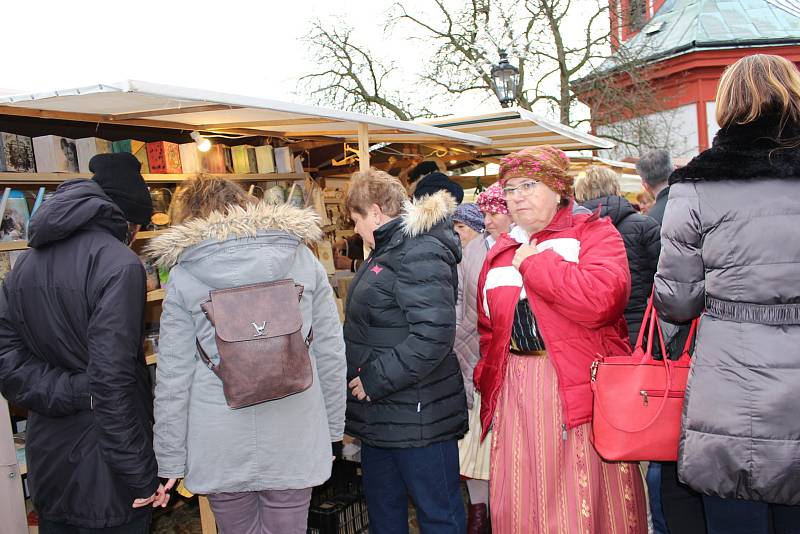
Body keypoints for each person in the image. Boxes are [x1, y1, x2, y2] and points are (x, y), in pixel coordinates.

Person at [146, 176, 346, 534]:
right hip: (296, 426)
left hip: (219, 435)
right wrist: (332, 431)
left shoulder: (184, 273)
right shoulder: (301, 257)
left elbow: (173, 377)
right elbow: (331, 352)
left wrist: (171, 458)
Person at [654, 53, 800, 534]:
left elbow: (675, 301)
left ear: (729, 105)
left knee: (734, 509)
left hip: (732, 382)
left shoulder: (696, 183)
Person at [475, 146, 648, 533]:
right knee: (520, 504)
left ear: (557, 187)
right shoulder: (500, 252)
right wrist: (488, 376)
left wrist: (536, 264)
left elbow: (602, 300)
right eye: (511, 187)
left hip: (575, 389)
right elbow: (488, 329)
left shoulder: (593, 233)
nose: (517, 195)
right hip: (515, 393)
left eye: (529, 184)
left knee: (576, 506)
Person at [0, 153, 167, 533]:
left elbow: (8, 363)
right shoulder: (120, 265)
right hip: (107, 471)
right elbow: (111, 385)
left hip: (49, 463)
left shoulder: (25, 264)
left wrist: (73, 390)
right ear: (129, 221)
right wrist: (142, 476)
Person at [343, 169, 468, 534]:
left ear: (377, 212)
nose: (355, 230)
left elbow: (433, 335)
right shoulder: (388, 249)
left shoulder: (419, 248)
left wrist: (375, 380)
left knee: (438, 516)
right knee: (385, 516)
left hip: (419, 416)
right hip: (384, 415)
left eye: (356, 219)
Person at [636, 148, 703, 534]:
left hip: (674, 344)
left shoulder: (664, 214)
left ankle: (663, 525)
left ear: (645, 183)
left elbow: (674, 298)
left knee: (667, 449)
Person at [454, 182, 512, 534]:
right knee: (479, 458)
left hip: (494, 367)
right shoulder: (478, 251)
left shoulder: (493, 251)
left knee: (490, 458)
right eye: (485, 214)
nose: (487, 220)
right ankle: (483, 522)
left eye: (493, 213)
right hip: (479, 367)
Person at [576, 166, 661, 347]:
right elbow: (665, 275)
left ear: (581, 193)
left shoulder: (572, 231)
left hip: (591, 331)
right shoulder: (645, 225)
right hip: (640, 325)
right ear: (616, 188)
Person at [636, 149, 672, 224]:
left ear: (645, 184)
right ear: (674, 170)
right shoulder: (696, 201)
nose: (641, 206)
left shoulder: (651, 221)